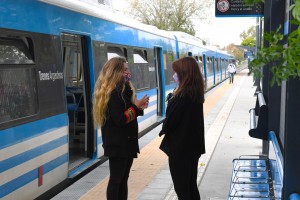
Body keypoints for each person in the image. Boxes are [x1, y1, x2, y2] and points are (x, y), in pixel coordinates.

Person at [93, 57, 149, 200]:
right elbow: (120, 119)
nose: (128, 72)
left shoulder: (123, 90)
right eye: (124, 70)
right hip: (118, 144)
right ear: (115, 72)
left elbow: (127, 112)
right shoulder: (113, 93)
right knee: (116, 180)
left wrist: (139, 106)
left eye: (127, 69)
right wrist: (136, 107)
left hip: (126, 142)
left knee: (123, 179)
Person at [159, 57, 205, 200]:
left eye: (176, 72)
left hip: (180, 149)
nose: (174, 75)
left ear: (183, 75)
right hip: (193, 148)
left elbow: (170, 123)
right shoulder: (195, 93)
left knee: (182, 190)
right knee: (191, 186)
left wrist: (171, 101)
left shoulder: (181, 98)